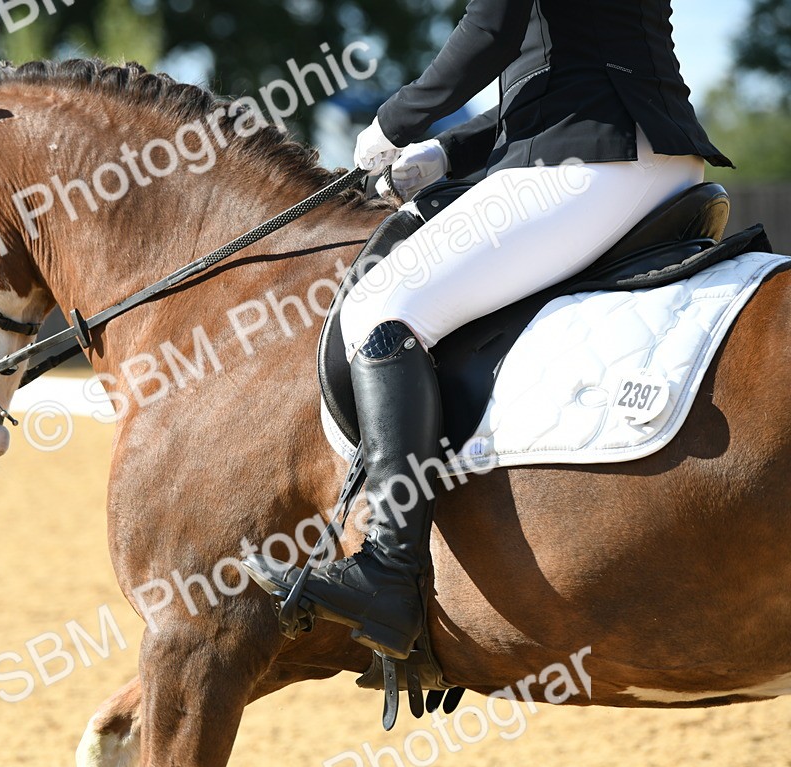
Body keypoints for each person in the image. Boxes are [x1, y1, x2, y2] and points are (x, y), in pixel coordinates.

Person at [244, 0, 732, 661]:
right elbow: (569, 64)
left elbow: (493, 30)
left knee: (380, 307)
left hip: (589, 163)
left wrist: (394, 121)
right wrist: (450, 150)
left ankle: (389, 569)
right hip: (658, 159)